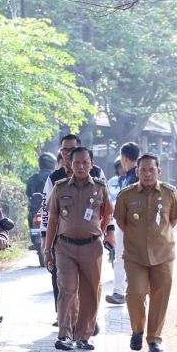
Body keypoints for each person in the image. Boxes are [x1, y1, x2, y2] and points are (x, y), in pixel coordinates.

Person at [44, 146, 114, 351]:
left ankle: (84, 336)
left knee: (90, 291)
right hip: (65, 247)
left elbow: (107, 214)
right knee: (67, 289)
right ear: (70, 164)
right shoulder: (60, 187)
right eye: (77, 163)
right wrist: (47, 250)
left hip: (92, 248)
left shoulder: (100, 188)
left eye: (85, 162)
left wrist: (96, 233)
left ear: (92, 164)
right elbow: (53, 220)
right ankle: (65, 334)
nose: (81, 166)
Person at [114, 153, 177, 352]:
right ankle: (137, 330)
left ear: (158, 171)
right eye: (143, 170)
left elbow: (173, 220)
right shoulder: (126, 195)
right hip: (135, 255)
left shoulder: (169, 193)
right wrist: (139, 237)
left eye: (152, 169)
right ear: (137, 172)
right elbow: (121, 222)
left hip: (163, 254)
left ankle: (154, 339)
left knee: (160, 296)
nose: (147, 173)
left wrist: (157, 237)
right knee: (135, 292)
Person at [40, 134, 105, 325]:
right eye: (64, 150)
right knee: (63, 282)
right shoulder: (55, 179)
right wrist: (46, 242)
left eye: (71, 150)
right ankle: (65, 319)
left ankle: (88, 320)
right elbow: (47, 213)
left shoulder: (97, 173)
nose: (67, 154)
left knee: (90, 283)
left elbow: (108, 208)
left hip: (90, 240)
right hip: (63, 240)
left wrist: (103, 232)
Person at [105, 142, 140, 305]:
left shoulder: (132, 178)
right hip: (133, 224)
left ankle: (121, 291)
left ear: (124, 158)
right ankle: (127, 290)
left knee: (121, 258)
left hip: (127, 224)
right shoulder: (134, 176)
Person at [25, 152, 55, 229]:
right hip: (52, 211)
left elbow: (28, 193)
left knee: (31, 217)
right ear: (52, 163)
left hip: (35, 211)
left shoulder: (32, 178)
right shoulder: (56, 177)